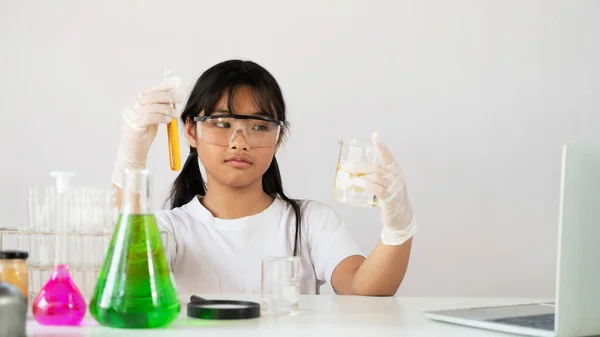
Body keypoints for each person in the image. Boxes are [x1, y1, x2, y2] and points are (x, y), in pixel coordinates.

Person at [110, 59, 417, 296]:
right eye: (221, 123)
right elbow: (130, 270)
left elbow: (363, 290)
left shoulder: (310, 222)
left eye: (259, 126)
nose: (239, 141)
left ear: (278, 137)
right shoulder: (172, 229)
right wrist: (129, 164)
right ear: (191, 130)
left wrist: (398, 229)